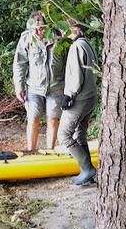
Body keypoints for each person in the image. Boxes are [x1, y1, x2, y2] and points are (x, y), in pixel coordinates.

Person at [12, 12, 66, 151]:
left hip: (56, 87)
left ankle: (50, 151)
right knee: (33, 119)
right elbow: (20, 63)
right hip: (34, 88)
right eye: (36, 28)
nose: (39, 31)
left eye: (42, 28)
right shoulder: (26, 39)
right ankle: (31, 151)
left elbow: (69, 63)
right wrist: (19, 87)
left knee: (53, 119)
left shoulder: (60, 37)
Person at [58, 18, 98, 185]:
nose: (60, 34)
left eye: (62, 30)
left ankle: (87, 169)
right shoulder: (87, 43)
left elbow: (76, 77)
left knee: (64, 135)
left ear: (71, 29)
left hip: (80, 98)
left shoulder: (76, 47)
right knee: (79, 134)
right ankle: (87, 173)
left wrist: (69, 95)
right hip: (91, 96)